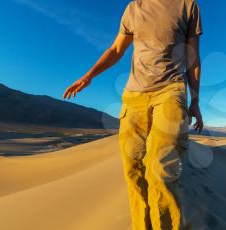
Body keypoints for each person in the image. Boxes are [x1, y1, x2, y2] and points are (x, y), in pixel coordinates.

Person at [63, 0, 203, 229]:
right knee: (133, 172)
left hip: (170, 91)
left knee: (161, 170)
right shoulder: (133, 8)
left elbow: (193, 58)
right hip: (133, 97)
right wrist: (89, 75)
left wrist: (195, 100)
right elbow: (117, 49)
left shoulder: (188, 5)